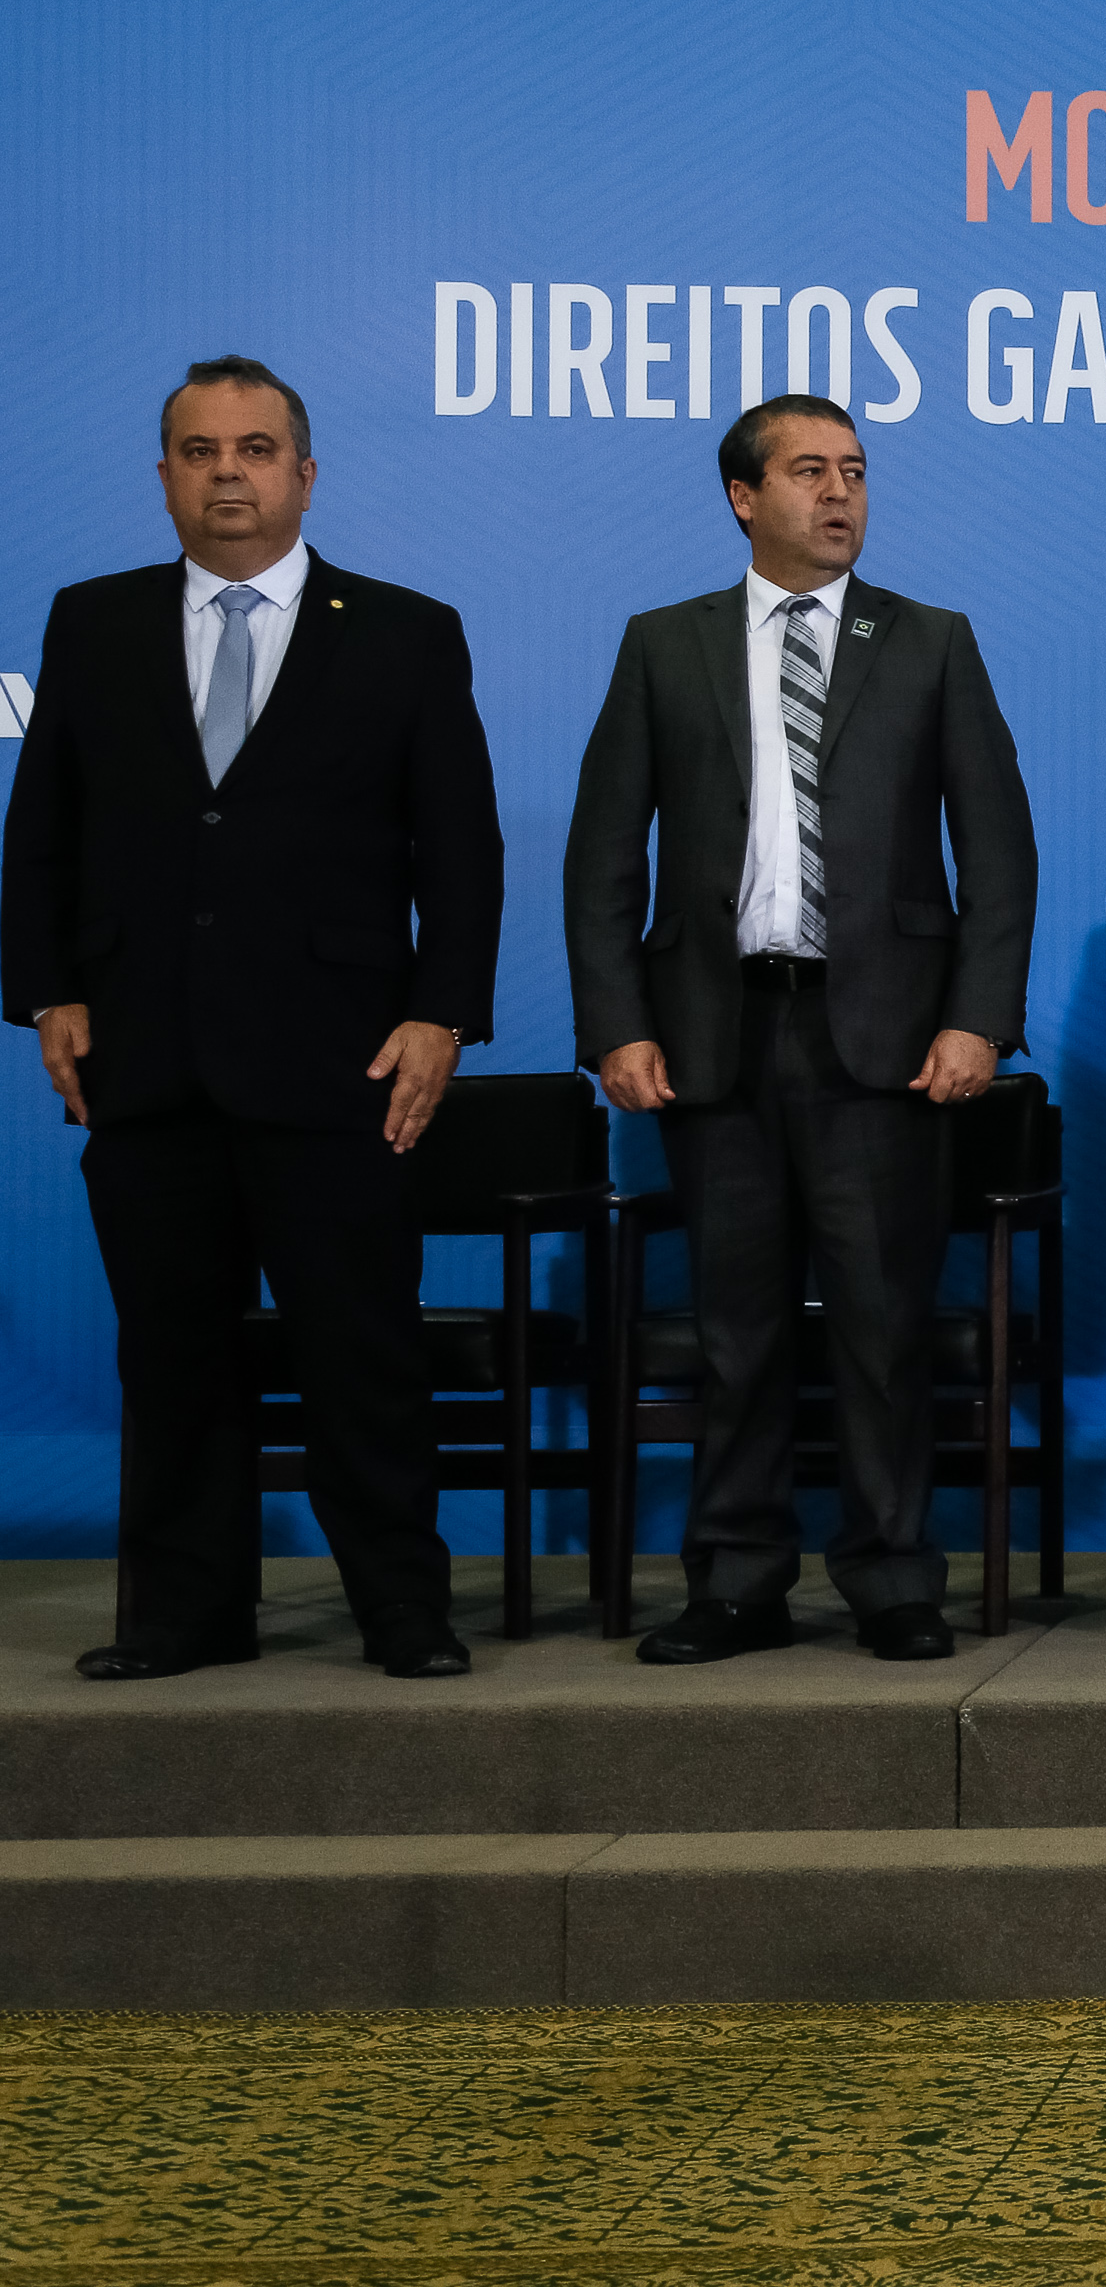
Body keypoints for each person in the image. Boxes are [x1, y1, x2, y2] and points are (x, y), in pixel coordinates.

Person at [1, 355, 501, 1680]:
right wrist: (49, 987)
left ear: (305, 472)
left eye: (257, 448)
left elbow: (460, 849)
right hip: (145, 1061)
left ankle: (402, 1610)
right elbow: (40, 831)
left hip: (343, 1062)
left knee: (362, 1356)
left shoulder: (403, 628)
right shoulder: (92, 620)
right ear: (164, 474)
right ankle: (181, 1618)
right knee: (172, 1363)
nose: (230, 471)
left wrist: (442, 1013)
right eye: (201, 449)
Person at [564, 395, 1036, 1666]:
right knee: (737, 1328)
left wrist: (979, 1021)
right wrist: (615, 1022)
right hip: (716, 1033)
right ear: (742, 496)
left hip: (882, 1040)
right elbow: (604, 852)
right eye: (810, 472)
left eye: (857, 473)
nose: (840, 495)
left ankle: (891, 1575)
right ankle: (735, 1578)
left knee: (884, 1322)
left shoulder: (930, 641)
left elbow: (998, 851)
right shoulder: (665, 645)